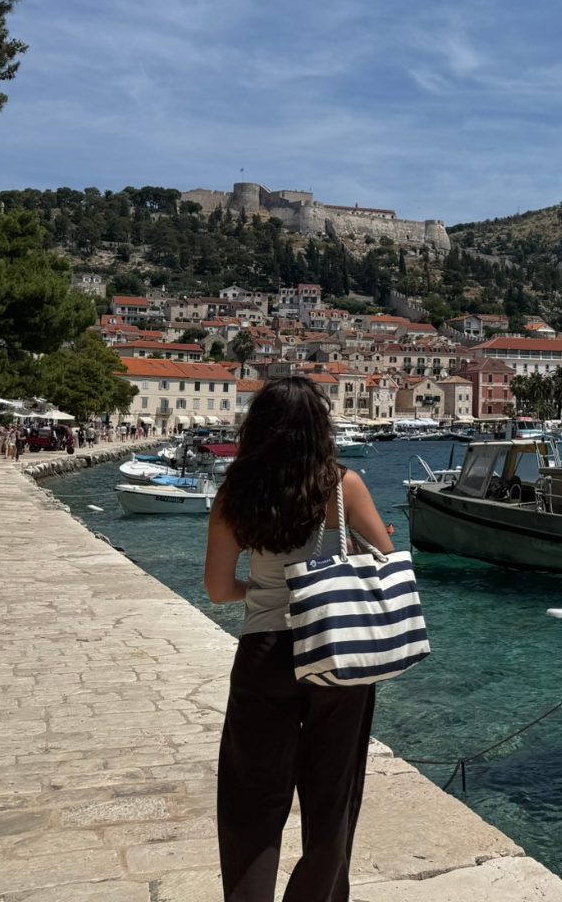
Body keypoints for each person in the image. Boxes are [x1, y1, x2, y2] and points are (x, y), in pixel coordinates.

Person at [204, 376, 394, 902]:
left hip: (263, 651)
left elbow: (218, 589)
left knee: (252, 803)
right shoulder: (342, 485)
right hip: (336, 648)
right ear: (320, 428)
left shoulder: (234, 494)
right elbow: (385, 559)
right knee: (332, 796)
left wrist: (261, 588)